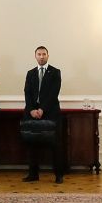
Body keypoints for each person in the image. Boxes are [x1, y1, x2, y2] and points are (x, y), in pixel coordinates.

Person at [21, 46, 65, 183]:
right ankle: (33, 174)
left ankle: (58, 175)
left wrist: (42, 109)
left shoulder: (55, 72)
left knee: (55, 145)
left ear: (48, 55)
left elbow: (53, 93)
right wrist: (31, 110)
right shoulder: (30, 73)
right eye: (39, 54)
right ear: (35, 56)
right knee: (32, 144)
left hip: (50, 113)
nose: (41, 56)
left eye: (44, 54)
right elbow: (27, 93)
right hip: (32, 113)